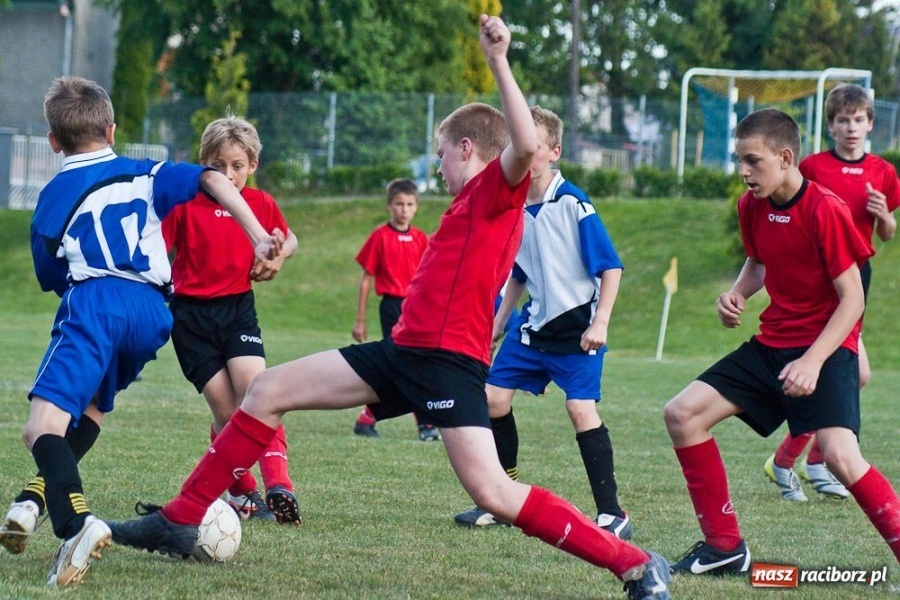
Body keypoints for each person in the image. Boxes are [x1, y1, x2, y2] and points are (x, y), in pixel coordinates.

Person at [108, 16, 671, 600]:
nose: (437, 168)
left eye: (441, 156)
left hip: (446, 364)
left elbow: (526, 146)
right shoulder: (469, 203)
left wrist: (499, 59)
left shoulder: (494, 191)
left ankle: (633, 563)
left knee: (494, 494)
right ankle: (180, 517)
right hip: (401, 352)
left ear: (466, 148)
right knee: (267, 391)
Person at [0, 76, 282, 586]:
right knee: (90, 411)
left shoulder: (53, 195)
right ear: (112, 130)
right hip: (153, 312)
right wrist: (259, 237)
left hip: (97, 302)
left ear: (53, 142)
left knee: (40, 427)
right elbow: (211, 180)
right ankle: (31, 500)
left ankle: (77, 523)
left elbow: (52, 275)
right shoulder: (146, 171)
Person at [664, 108, 900, 576]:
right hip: (772, 343)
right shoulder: (752, 204)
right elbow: (757, 262)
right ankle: (724, 547)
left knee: (839, 455)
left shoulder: (825, 209)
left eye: (753, 161)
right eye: (740, 161)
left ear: (786, 157)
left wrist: (813, 362)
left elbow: (852, 300)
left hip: (826, 348)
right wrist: (735, 293)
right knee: (682, 414)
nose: (744, 172)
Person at [453, 106, 631, 540]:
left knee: (579, 409)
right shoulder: (511, 207)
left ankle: (612, 512)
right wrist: (497, 324)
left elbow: (610, 268)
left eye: (531, 145)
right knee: (493, 400)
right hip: (533, 330)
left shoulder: (572, 203)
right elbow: (519, 274)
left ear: (553, 151)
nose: (522, 152)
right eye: (517, 143)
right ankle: (501, 498)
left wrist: (601, 323)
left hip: (577, 331)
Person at [762, 83, 900, 502]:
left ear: (871, 124)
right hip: (816, 282)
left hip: (855, 280)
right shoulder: (815, 168)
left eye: (859, 120)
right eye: (843, 120)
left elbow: (888, 232)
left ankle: (803, 460)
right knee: (853, 373)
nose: (852, 127)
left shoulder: (884, 172)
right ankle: (800, 461)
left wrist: (883, 217)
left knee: (855, 374)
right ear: (831, 126)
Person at [162, 115, 301, 523]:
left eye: (237, 166)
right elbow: (159, 255)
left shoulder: (259, 204)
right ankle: (244, 493)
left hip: (238, 310)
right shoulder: (184, 204)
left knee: (260, 393)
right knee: (227, 414)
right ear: (204, 164)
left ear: (252, 165)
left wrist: (281, 252)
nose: (228, 175)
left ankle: (280, 485)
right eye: (218, 166)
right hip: (191, 320)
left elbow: (287, 237)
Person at [350, 178, 440, 442]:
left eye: (410, 204)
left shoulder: (421, 238)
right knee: (410, 365)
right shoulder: (380, 237)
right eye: (399, 204)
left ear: (416, 207)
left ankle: (367, 418)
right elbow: (366, 280)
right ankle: (425, 425)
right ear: (390, 206)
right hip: (392, 307)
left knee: (407, 367)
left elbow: (429, 278)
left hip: (417, 308)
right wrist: (360, 320)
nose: (404, 209)